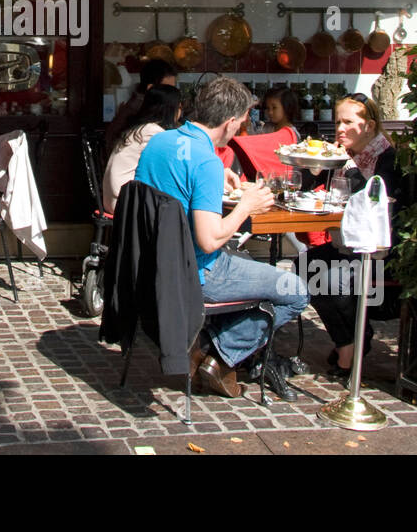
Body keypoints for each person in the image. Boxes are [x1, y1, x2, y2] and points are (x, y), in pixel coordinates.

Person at [135, 76, 308, 400]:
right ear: (230, 122)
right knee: (296, 290)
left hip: (153, 263)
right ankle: (217, 356)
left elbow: (177, 184)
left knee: (248, 262)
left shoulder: (161, 141)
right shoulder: (205, 161)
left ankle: (198, 346)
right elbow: (209, 240)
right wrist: (246, 206)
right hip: (196, 273)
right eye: (242, 121)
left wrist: (216, 176)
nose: (242, 126)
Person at [305, 92, 408, 378]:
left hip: (384, 251)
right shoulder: (348, 156)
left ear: (370, 126)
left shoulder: (387, 159)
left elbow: (373, 201)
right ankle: (350, 341)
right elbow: (310, 185)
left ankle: (351, 347)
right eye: (338, 121)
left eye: (348, 122)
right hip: (352, 245)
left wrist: (343, 166)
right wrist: (319, 165)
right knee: (307, 264)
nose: (339, 129)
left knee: (327, 276)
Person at [101, 84, 182, 214]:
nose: (180, 112)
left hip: (112, 198)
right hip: (123, 202)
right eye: (179, 107)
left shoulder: (139, 128)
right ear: (170, 109)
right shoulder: (153, 132)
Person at [105, 58, 178, 152]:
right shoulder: (141, 112)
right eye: (167, 90)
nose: (172, 95)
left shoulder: (137, 105)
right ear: (150, 88)